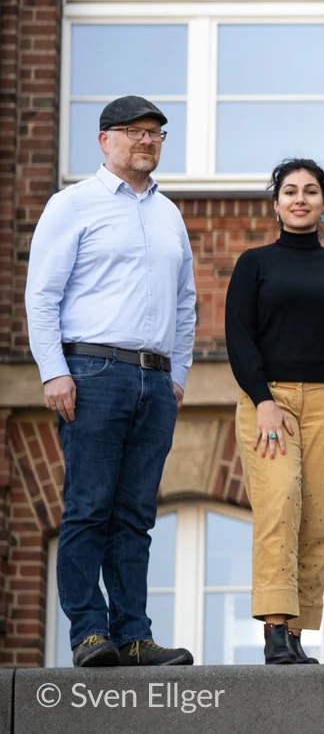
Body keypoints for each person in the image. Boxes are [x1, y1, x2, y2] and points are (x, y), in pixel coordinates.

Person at [25, 96, 196, 667]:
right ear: (105, 140)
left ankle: (134, 634)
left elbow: (185, 303)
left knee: (136, 515)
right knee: (88, 507)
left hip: (154, 382)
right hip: (91, 372)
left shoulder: (169, 214)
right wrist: (53, 371)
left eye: (156, 134)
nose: (146, 142)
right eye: (133, 132)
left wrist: (178, 377)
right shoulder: (73, 205)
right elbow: (42, 295)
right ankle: (89, 633)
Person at [225, 158, 324, 664]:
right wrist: (263, 400)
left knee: (319, 520)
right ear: (276, 203)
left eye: (311, 191)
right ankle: (273, 627)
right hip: (270, 401)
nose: (300, 199)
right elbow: (239, 339)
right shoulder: (255, 263)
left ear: (323, 204)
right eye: (290, 191)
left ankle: (296, 633)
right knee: (279, 503)